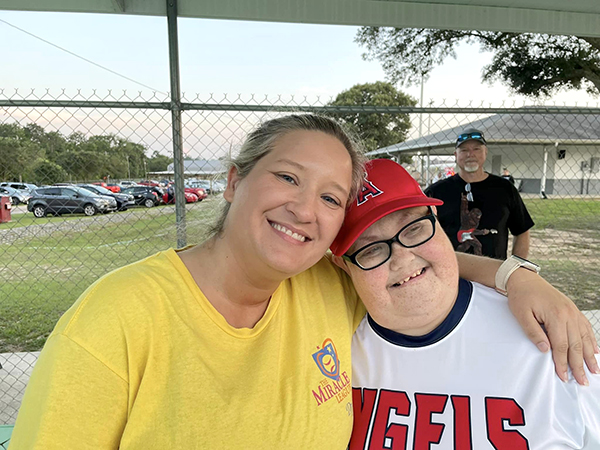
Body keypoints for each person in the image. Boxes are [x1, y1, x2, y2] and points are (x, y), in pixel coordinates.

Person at [9, 116, 598, 450]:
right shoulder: (118, 315)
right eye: (287, 177)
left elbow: (416, 261)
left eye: (330, 197)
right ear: (235, 180)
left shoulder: (321, 283)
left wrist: (516, 275)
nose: (303, 209)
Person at [330, 159, 600, 449]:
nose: (402, 258)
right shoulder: (330, 343)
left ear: (434, 216)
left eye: (413, 228)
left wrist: (515, 275)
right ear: (343, 267)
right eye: (370, 249)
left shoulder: (548, 338)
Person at [425, 128, 533, 260]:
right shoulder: (436, 192)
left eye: (476, 149)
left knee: (476, 247)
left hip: (492, 274)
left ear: (485, 152)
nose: (470, 154)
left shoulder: (504, 189)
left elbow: (522, 231)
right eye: (464, 150)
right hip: (451, 274)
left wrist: (516, 267)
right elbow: (423, 232)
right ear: (455, 155)